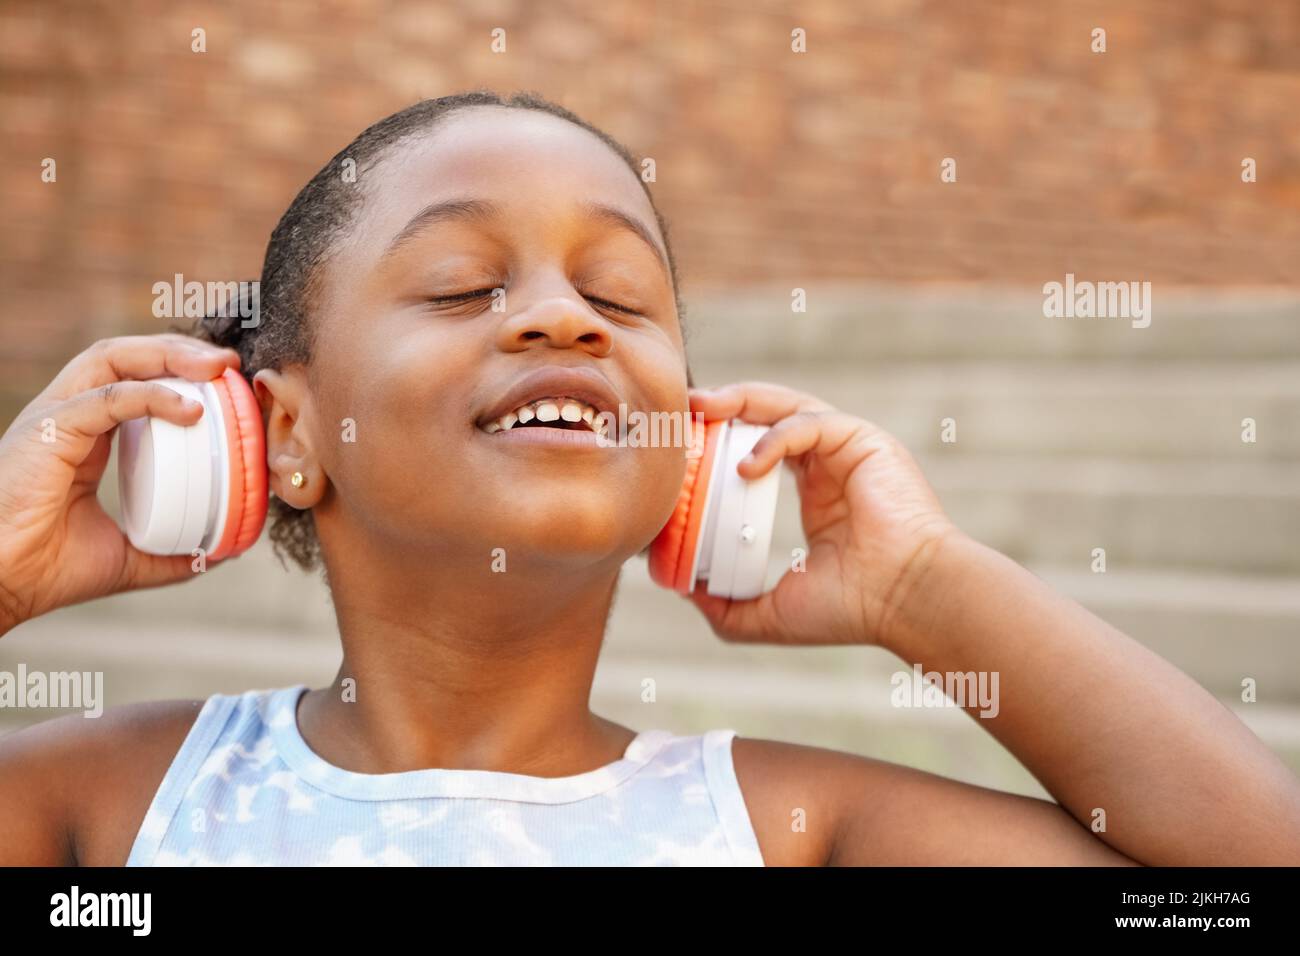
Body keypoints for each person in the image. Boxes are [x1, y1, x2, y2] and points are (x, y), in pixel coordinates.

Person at [0, 91, 1296, 865]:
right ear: (279, 436)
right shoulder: (108, 808)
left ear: (697, 460)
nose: (565, 319)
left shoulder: (788, 826)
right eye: (463, 284)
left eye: (621, 293)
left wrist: (922, 587)